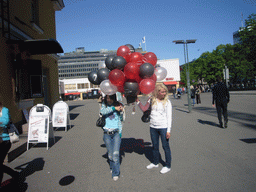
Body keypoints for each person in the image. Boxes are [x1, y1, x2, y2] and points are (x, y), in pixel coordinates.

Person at [137, 83, 172, 174]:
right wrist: (137, 101)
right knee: (155, 146)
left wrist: (168, 130)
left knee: (165, 147)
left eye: (165, 92)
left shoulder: (167, 102)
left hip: (163, 127)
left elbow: (169, 117)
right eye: (162, 92)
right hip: (153, 127)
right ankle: (155, 162)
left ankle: (167, 165)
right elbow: (145, 109)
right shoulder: (152, 100)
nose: (164, 93)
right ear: (157, 92)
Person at [100, 94, 124, 181]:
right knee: (110, 154)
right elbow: (102, 112)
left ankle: (115, 173)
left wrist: (121, 110)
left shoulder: (118, 105)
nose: (108, 99)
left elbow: (121, 120)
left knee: (115, 154)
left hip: (116, 133)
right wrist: (114, 108)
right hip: (106, 133)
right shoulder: (104, 105)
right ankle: (112, 167)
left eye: (110, 98)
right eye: (107, 98)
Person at [0, 102, 20, 185]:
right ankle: (14, 174)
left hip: (4, 141)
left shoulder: (4, 110)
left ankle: (14, 174)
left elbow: (5, 121)